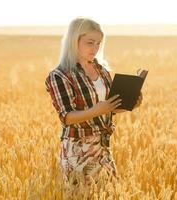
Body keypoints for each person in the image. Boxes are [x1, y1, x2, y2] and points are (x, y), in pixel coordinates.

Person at [45, 17, 143, 186]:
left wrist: (130, 103)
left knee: (112, 194)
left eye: (98, 43)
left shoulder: (102, 70)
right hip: (78, 153)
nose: (96, 48)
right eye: (90, 42)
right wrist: (98, 109)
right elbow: (66, 117)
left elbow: (109, 108)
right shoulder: (60, 75)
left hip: (103, 149)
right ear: (74, 41)